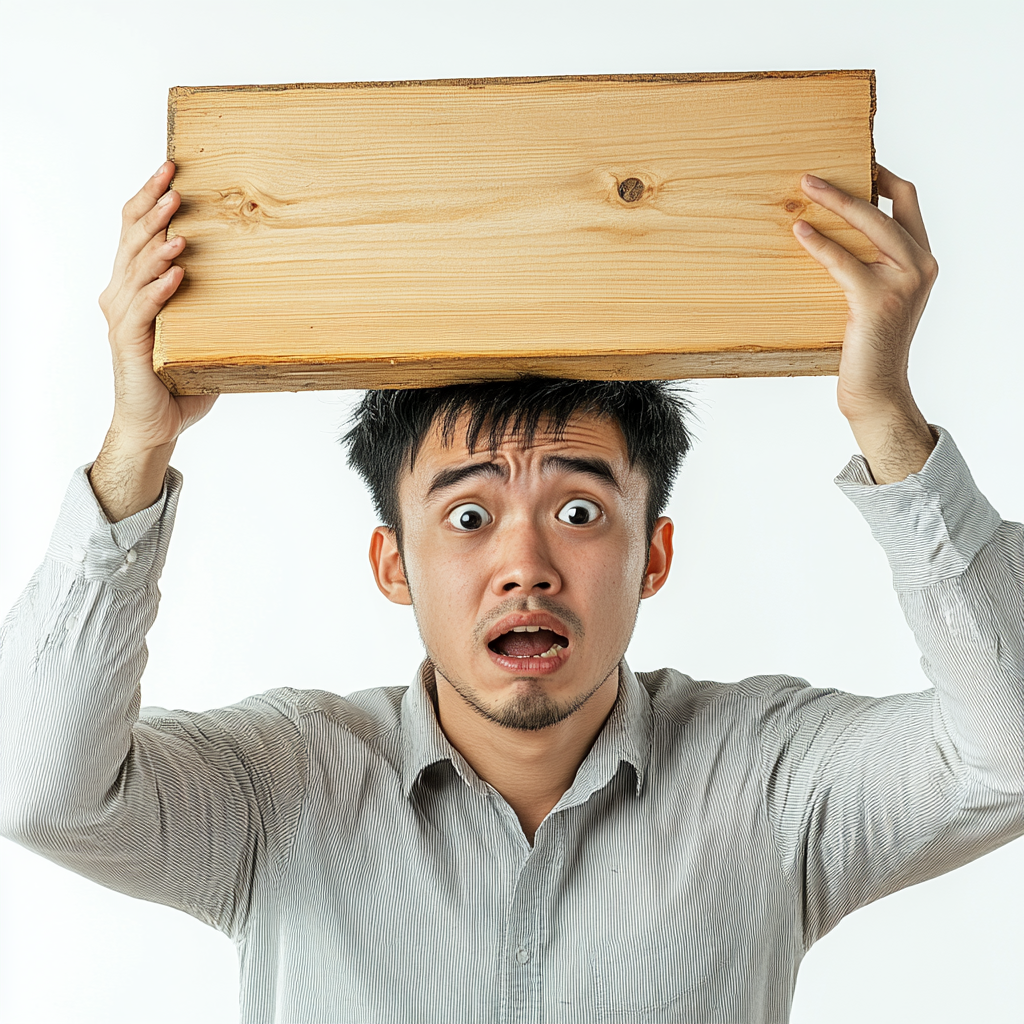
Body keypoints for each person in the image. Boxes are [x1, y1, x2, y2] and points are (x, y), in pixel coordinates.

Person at [0, 159, 1021, 1024]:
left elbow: (1008, 753)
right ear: (392, 562)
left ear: (653, 556)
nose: (525, 562)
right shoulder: (283, 788)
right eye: (469, 516)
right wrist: (134, 446)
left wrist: (887, 416)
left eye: (579, 513)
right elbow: (40, 791)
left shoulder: (769, 782)